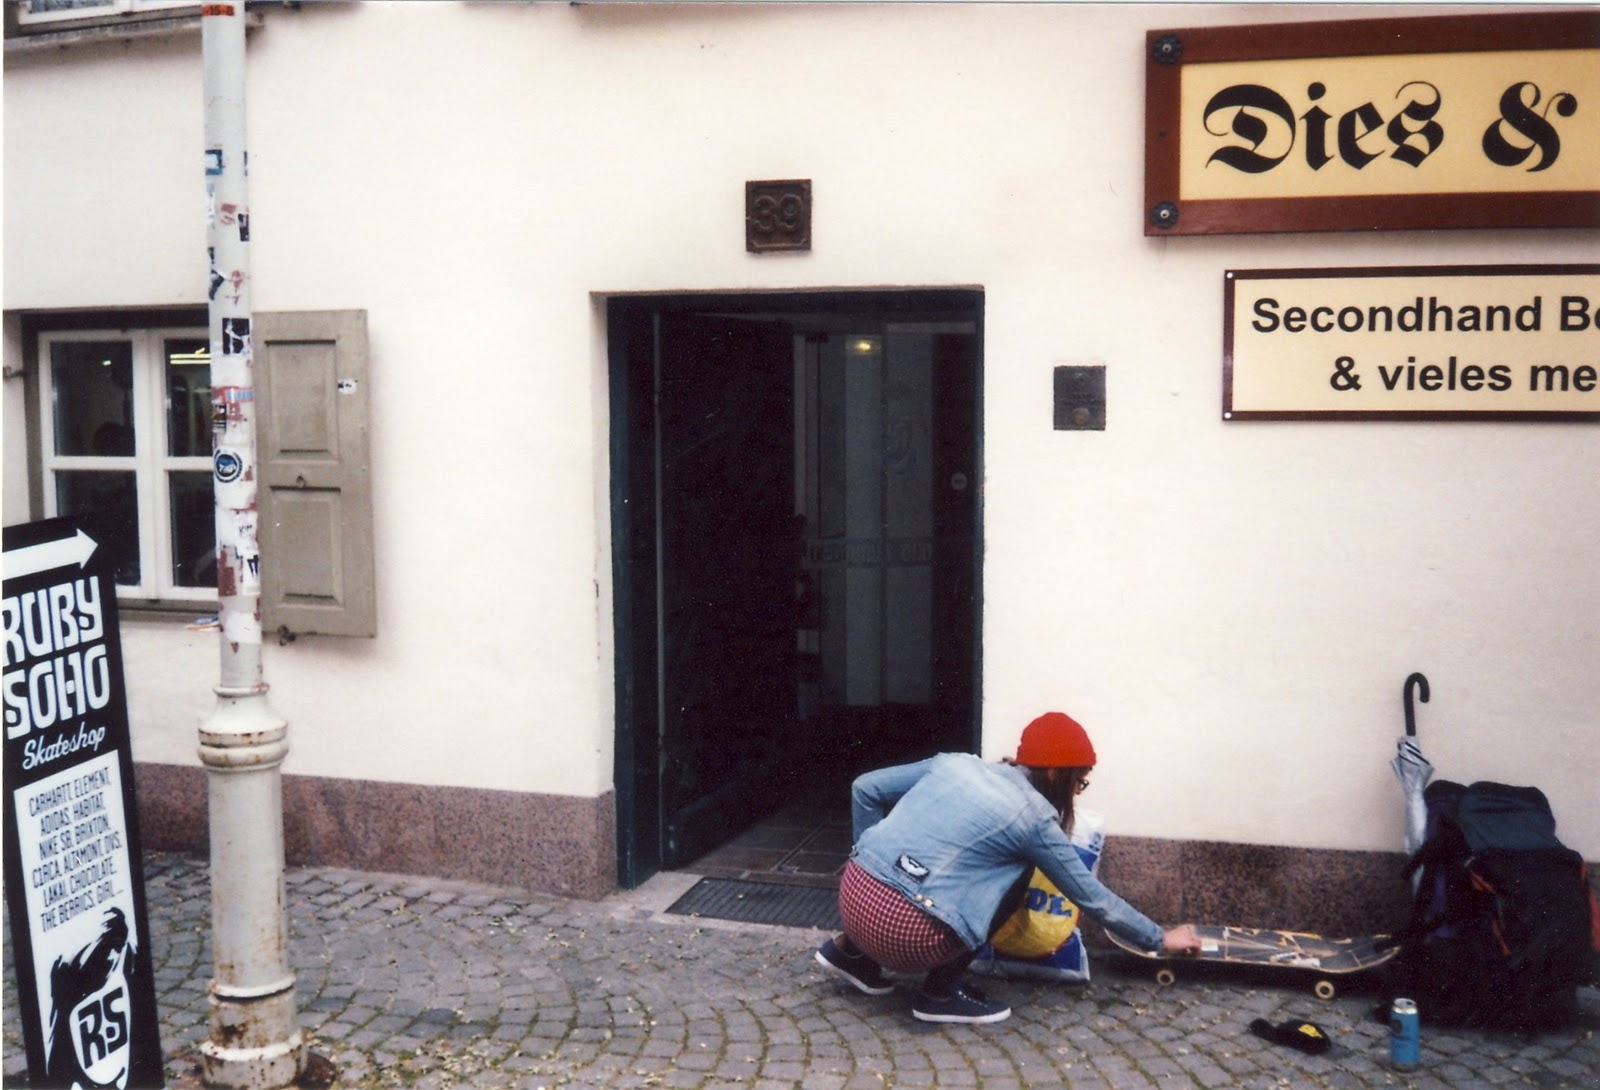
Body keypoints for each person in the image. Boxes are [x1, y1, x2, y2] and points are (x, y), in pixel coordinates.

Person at [814, 711, 1202, 1023]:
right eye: (1079, 783)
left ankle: (849, 953)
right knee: (1019, 875)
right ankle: (938, 994)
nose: (1077, 791)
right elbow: (1091, 896)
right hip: (908, 938)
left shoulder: (955, 764)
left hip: (851, 899)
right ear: (1054, 774)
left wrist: (864, 854)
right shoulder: (1034, 820)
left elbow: (865, 787)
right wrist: (1159, 938)